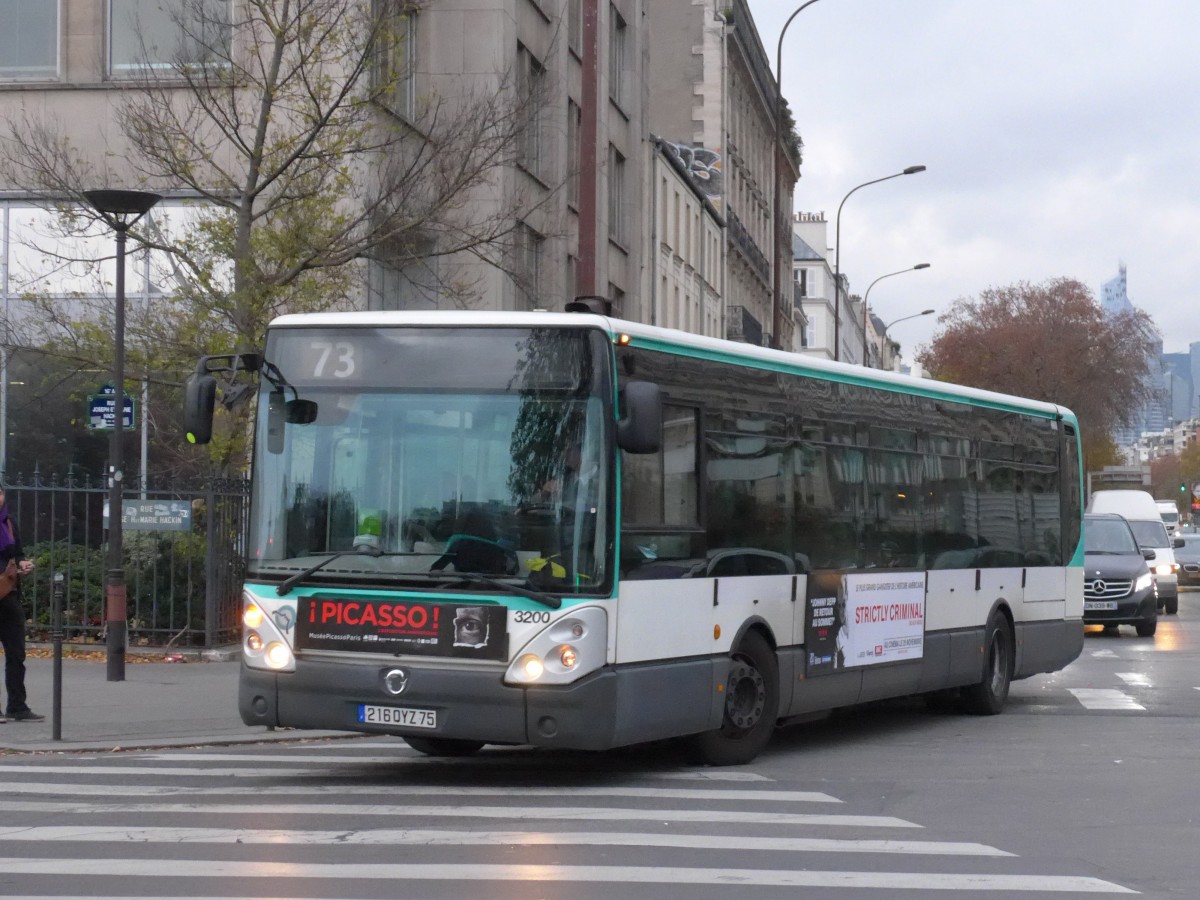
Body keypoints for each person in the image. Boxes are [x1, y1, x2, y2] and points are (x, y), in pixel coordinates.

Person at [0, 486, 43, 723]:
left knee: (16, 653)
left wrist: (22, 564)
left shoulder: (9, 523)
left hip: (9, 594)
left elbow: (18, 554)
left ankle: (17, 706)